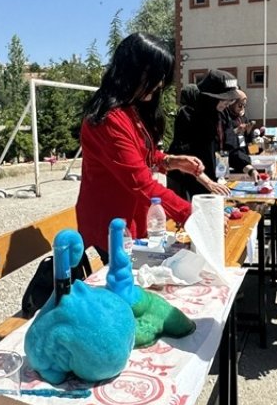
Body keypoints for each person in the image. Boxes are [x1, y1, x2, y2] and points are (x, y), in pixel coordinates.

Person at [76, 33, 198, 257]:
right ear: (134, 71)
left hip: (131, 222)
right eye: (156, 76)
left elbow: (139, 155)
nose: (160, 84)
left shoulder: (129, 109)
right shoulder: (109, 120)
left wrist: (170, 161)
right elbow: (140, 182)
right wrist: (192, 214)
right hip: (113, 228)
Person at [166, 72, 241, 200]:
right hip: (188, 181)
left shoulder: (222, 114)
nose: (228, 103)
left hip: (212, 180)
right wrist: (208, 183)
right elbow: (184, 156)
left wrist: (248, 168)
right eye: (225, 99)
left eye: (231, 100)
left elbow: (231, 145)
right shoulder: (188, 114)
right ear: (211, 97)